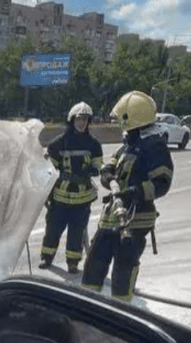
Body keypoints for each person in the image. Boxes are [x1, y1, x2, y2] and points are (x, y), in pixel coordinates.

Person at [81, 91, 173, 301]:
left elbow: (162, 183)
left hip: (135, 221)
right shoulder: (129, 144)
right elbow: (112, 165)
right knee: (94, 264)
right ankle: (86, 304)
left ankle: (120, 312)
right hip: (112, 217)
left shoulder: (154, 148)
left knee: (123, 271)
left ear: (129, 119)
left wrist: (135, 192)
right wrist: (107, 174)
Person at [39, 101, 104, 274]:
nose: (82, 123)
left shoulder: (94, 145)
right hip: (60, 196)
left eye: (85, 119)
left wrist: (92, 170)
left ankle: (73, 263)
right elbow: (48, 170)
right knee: (53, 230)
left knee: (76, 233)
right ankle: (46, 257)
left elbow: (98, 167)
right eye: (79, 119)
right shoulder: (58, 143)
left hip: (82, 198)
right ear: (72, 120)